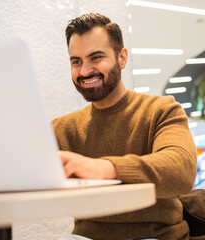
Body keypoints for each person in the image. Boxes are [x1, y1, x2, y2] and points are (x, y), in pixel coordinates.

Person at [52, 13, 197, 240]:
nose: (84, 71)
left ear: (122, 58)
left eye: (96, 57)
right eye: (76, 61)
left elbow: (182, 169)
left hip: (158, 236)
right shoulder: (62, 129)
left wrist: (107, 169)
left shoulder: (161, 110)